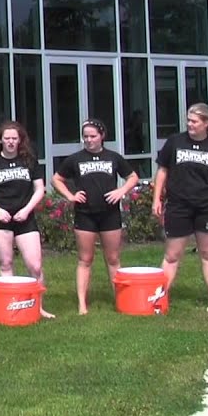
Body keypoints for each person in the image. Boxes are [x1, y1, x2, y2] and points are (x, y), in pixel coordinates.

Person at [152, 103, 208, 314]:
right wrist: (157, 199)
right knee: (172, 255)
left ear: (206, 123)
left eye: (194, 121)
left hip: (207, 207)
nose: (190, 124)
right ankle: (160, 299)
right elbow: (162, 171)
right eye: (188, 120)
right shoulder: (175, 142)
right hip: (179, 206)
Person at [51, 119, 140, 315]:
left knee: (113, 258)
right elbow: (56, 178)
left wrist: (121, 191)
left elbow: (133, 177)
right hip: (85, 214)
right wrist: (70, 196)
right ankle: (82, 304)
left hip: (110, 214)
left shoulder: (113, 157)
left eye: (93, 136)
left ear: (102, 136)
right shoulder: (75, 159)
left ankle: (120, 299)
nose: (89, 140)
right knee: (85, 259)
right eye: (85, 137)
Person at [0, 121, 55, 319]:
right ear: (1, 140)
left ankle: (38, 307)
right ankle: (11, 305)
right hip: (1, 219)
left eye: (15, 138)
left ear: (20, 140)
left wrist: (27, 210)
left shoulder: (29, 161)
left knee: (35, 265)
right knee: (6, 263)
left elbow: (39, 189)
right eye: (7, 138)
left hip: (25, 217)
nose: (11, 142)